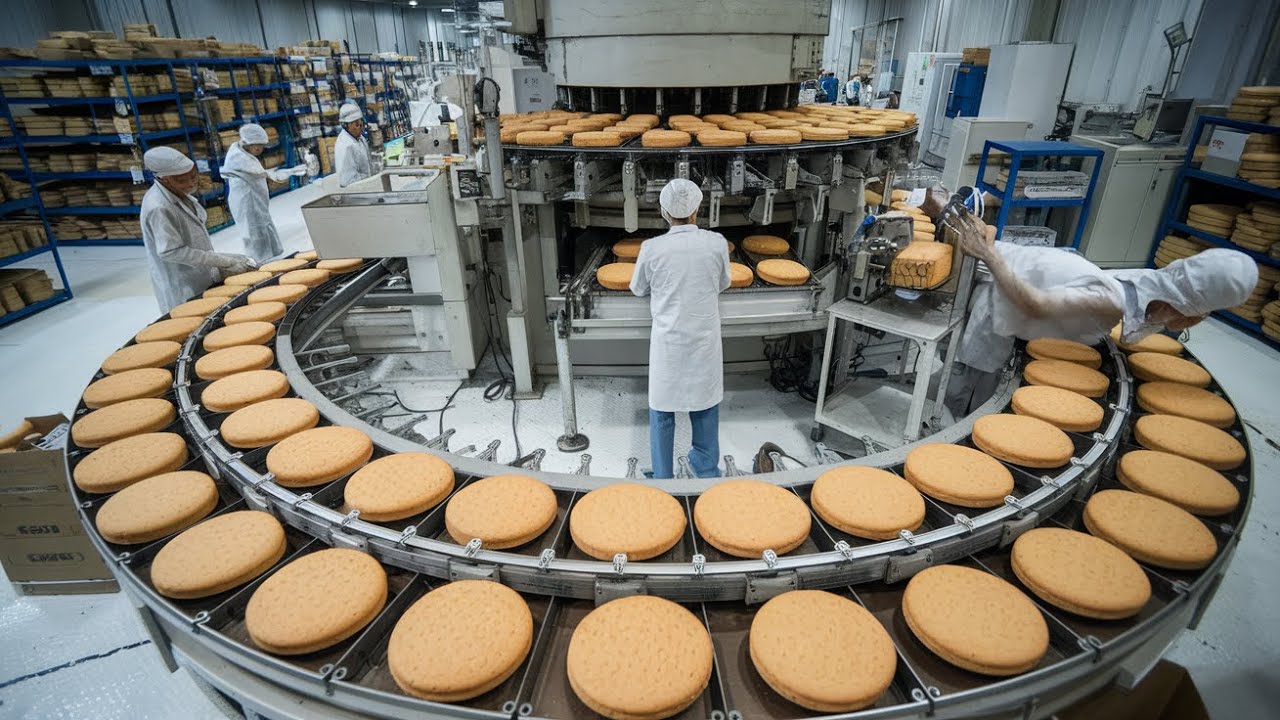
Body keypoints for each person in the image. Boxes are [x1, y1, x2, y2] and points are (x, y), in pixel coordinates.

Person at [947, 211, 1257, 411]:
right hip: (995, 300)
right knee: (960, 389)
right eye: (1193, 319)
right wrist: (987, 253)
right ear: (1187, 315)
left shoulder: (1145, 281)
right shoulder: (1112, 301)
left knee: (972, 387)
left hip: (1005, 285)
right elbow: (1034, 303)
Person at [630, 179, 733, 479]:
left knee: (662, 408)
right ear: (698, 209)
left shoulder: (651, 248)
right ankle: (705, 469)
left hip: (669, 343)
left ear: (664, 212)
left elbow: (638, 289)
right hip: (704, 341)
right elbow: (723, 282)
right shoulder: (716, 243)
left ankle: (663, 475)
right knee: (704, 405)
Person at [140, 147, 256, 313]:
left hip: (199, 272)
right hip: (183, 281)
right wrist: (223, 261)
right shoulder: (159, 207)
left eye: (193, 176)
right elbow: (170, 252)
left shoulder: (179, 194)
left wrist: (226, 258)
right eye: (181, 180)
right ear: (163, 179)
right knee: (194, 320)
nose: (190, 183)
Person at [221, 123, 306, 262]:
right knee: (253, 229)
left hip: (254, 198)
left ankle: (271, 254)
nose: (261, 149)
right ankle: (260, 260)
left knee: (263, 224)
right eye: (258, 146)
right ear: (248, 143)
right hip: (246, 200)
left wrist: (290, 171)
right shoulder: (239, 159)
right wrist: (290, 172)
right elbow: (264, 175)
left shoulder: (243, 152)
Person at [335, 102, 372, 187]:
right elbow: (347, 180)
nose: (361, 128)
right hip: (357, 192)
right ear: (347, 125)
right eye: (357, 125)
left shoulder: (359, 138)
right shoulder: (344, 145)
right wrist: (368, 179)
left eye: (361, 124)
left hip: (368, 186)